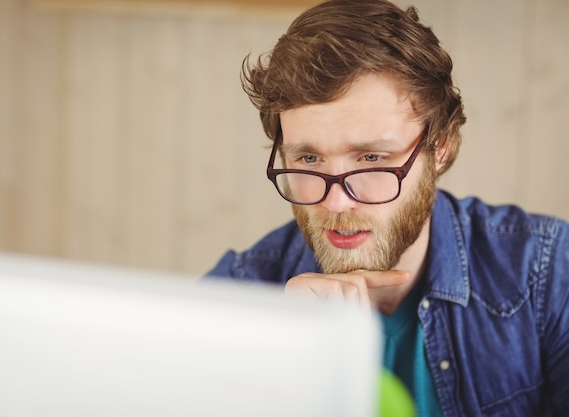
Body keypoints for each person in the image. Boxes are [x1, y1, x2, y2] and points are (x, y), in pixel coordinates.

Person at [205, 0, 569, 415]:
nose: (336, 202)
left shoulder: (545, 272)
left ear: (442, 146)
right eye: (308, 159)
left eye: (372, 159)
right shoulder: (238, 297)